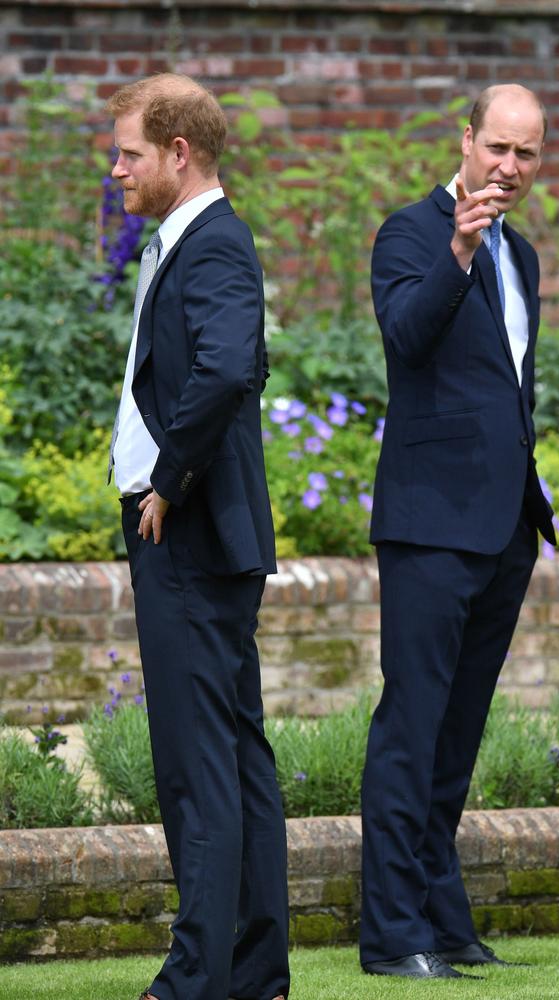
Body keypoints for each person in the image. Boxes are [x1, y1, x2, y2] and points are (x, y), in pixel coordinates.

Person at [360, 84, 556, 980]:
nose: (508, 168)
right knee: (413, 724)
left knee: (458, 734)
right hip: (430, 526)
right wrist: (459, 250)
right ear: (466, 139)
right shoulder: (411, 232)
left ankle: (441, 917)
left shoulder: (527, 258)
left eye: (526, 154)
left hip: (504, 526)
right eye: (497, 149)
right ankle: (392, 932)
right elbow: (405, 337)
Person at [106, 73, 289, 1000]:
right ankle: (253, 972)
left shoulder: (212, 244)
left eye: (130, 152)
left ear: (179, 153)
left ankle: (196, 980)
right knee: (234, 756)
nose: (117, 168)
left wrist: (168, 483)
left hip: (189, 532)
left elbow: (225, 372)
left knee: (197, 768)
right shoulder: (195, 240)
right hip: (200, 533)